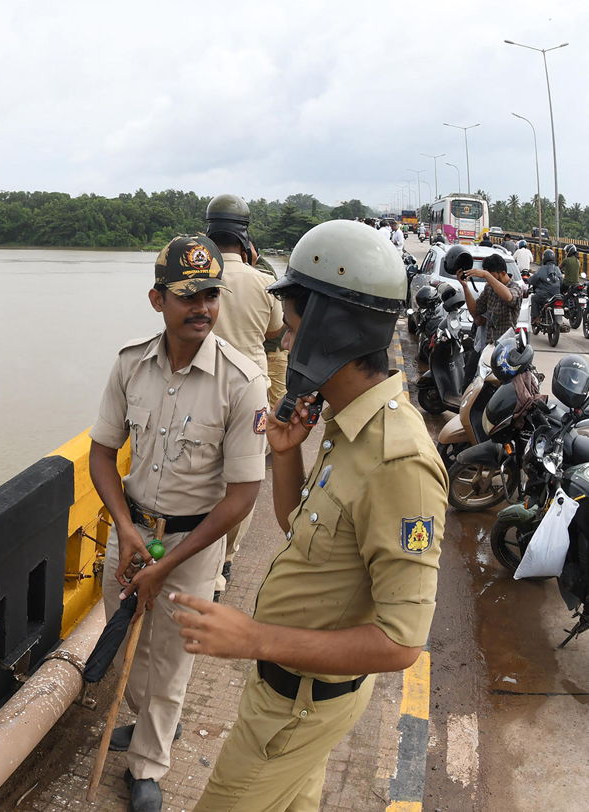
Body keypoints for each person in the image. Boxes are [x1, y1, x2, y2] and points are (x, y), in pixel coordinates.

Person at [169, 220, 448, 812]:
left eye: (294, 331)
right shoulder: (348, 422)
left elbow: (401, 643)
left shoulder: (397, 459)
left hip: (298, 706)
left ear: (330, 330)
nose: (288, 348)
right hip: (293, 693)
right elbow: (302, 526)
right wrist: (287, 454)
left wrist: (253, 638)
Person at [88, 235, 267, 812]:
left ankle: (147, 767)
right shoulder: (129, 366)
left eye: (212, 295)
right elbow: (101, 454)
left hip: (196, 540)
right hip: (134, 533)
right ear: (157, 299)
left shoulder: (241, 382)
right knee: (132, 646)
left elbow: (242, 496)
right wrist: (127, 530)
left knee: (172, 656)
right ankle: (151, 725)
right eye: (189, 296)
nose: (204, 308)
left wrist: (170, 563)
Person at [205, 194, 284, 599]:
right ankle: (226, 561)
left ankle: (203, 559)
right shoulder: (263, 281)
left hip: (203, 390)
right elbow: (275, 333)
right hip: (251, 390)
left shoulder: (199, 278)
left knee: (205, 479)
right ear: (245, 237)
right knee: (244, 482)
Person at [457, 250, 521, 348]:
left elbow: (509, 297)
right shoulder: (489, 288)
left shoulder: (515, 288)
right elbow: (475, 311)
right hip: (488, 346)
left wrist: (487, 275)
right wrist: (465, 287)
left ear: (503, 273)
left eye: (493, 276)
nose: (489, 280)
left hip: (505, 347)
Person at [529, 248, 563, 325]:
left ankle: (537, 318)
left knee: (533, 298)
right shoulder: (557, 269)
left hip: (544, 296)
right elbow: (561, 281)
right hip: (556, 295)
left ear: (544, 258)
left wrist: (528, 280)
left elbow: (533, 280)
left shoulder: (542, 269)